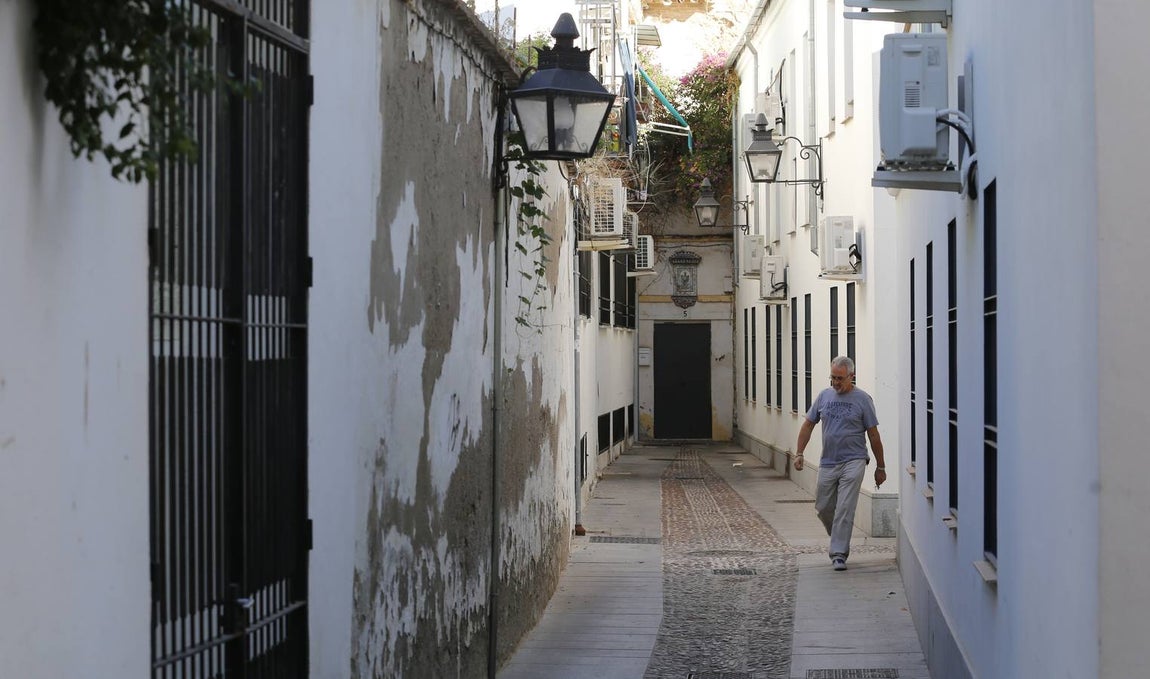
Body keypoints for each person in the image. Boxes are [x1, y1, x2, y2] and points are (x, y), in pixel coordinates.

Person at [793, 356, 886, 571]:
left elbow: (873, 435)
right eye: (833, 377)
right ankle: (838, 533)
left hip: (854, 460)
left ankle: (838, 554)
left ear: (851, 377)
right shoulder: (824, 396)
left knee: (844, 507)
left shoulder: (863, 399)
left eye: (840, 378)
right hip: (828, 461)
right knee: (823, 507)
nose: (835, 382)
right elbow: (808, 425)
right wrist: (799, 453)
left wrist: (880, 467)